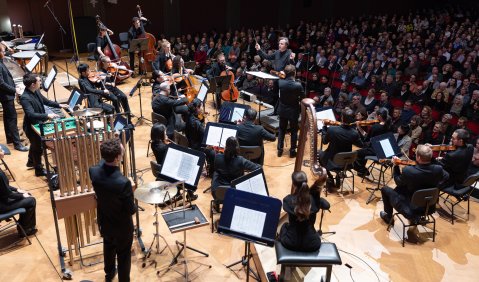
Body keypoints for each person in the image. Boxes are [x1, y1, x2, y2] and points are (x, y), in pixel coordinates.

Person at [89, 138, 136, 282]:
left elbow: (101, 165)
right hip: (122, 227)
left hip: (105, 221)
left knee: (108, 246)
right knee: (123, 255)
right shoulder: (123, 183)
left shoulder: (93, 172)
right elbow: (131, 210)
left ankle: (109, 273)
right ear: (117, 158)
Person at [380, 145, 448, 240]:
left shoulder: (409, 171)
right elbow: (446, 176)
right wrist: (436, 187)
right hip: (429, 207)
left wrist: (395, 166)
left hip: (410, 209)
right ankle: (416, 218)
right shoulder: (438, 169)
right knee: (406, 188)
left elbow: (398, 182)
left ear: (419, 157)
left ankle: (388, 217)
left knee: (385, 189)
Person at [19, 73, 68, 176]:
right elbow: (31, 114)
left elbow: (46, 101)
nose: (40, 82)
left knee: (35, 144)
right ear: (33, 84)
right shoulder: (25, 98)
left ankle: (31, 161)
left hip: (38, 123)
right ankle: (39, 170)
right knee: (38, 148)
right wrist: (47, 116)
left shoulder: (35, 91)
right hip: (31, 126)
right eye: (38, 81)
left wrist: (59, 105)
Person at [279, 171, 324, 252]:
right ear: (306, 182)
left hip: (290, 243)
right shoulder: (314, 199)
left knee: (284, 225)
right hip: (312, 244)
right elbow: (326, 205)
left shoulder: (288, 200)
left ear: (293, 184)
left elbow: (288, 207)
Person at [320, 108, 363, 188]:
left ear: (342, 118)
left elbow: (324, 141)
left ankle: (330, 178)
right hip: (347, 163)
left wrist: (324, 128)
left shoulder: (332, 130)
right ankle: (338, 175)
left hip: (332, 162)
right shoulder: (354, 133)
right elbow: (361, 145)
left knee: (319, 153)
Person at [0, 148, 37, 236]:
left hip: (2, 200)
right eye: (1, 151)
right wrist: (22, 195)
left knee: (27, 196)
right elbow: (8, 194)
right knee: (31, 200)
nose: (3, 151)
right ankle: (25, 230)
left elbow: (4, 187)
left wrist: (17, 190)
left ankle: (23, 226)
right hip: (2, 205)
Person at [255, 37, 295, 115]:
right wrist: (259, 50)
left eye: (282, 44)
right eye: (279, 43)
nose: (279, 45)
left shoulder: (289, 53)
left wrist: (292, 60)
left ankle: (281, 113)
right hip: (276, 77)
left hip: (284, 79)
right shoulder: (277, 52)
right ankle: (275, 112)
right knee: (275, 95)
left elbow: (291, 66)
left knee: (282, 97)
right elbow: (267, 57)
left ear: (286, 45)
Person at [0, 44, 28, 152]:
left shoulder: (1, 62)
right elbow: (1, 83)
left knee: (8, 117)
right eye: (2, 51)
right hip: (5, 95)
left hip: (6, 94)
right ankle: (17, 144)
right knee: (12, 118)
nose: (4, 53)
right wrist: (14, 90)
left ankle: (10, 138)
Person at [354, 107, 392, 176]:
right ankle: (361, 171)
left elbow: (366, 138)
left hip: (375, 151)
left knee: (357, 153)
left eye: (376, 116)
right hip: (384, 151)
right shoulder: (389, 125)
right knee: (364, 150)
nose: (375, 117)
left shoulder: (375, 127)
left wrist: (359, 127)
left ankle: (362, 170)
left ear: (379, 116)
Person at [277, 65, 303, 158]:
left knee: (281, 129)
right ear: (294, 73)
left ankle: (280, 150)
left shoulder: (280, 82)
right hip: (293, 111)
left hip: (283, 110)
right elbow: (302, 97)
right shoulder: (298, 85)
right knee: (294, 131)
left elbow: (281, 77)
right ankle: (292, 151)